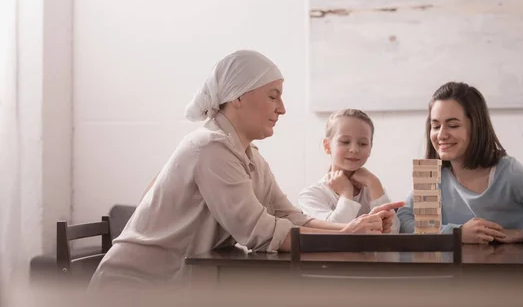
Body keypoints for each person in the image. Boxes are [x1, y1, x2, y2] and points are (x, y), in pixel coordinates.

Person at [89, 50, 402, 288]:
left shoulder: (247, 155)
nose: (282, 108)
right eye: (273, 96)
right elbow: (263, 235)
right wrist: (348, 234)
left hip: (174, 285)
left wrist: (356, 227)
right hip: (133, 288)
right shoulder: (210, 148)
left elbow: (288, 217)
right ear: (237, 96)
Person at [396, 81, 523, 243]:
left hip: (511, 280)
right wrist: (456, 233)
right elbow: (404, 221)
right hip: (452, 282)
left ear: (476, 127)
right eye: (435, 125)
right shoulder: (433, 173)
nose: (441, 135)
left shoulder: (509, 173)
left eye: (453, 125)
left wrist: (517, 234)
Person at [299, 109, 399, 232]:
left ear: (370, 148)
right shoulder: (311, 195)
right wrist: (346, 193)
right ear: (327, 146)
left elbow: (394, 233)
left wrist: (374, 183)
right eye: (345, 142)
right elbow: (334, 235)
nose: (354, 149)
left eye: (362, 144)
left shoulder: (372, 187)